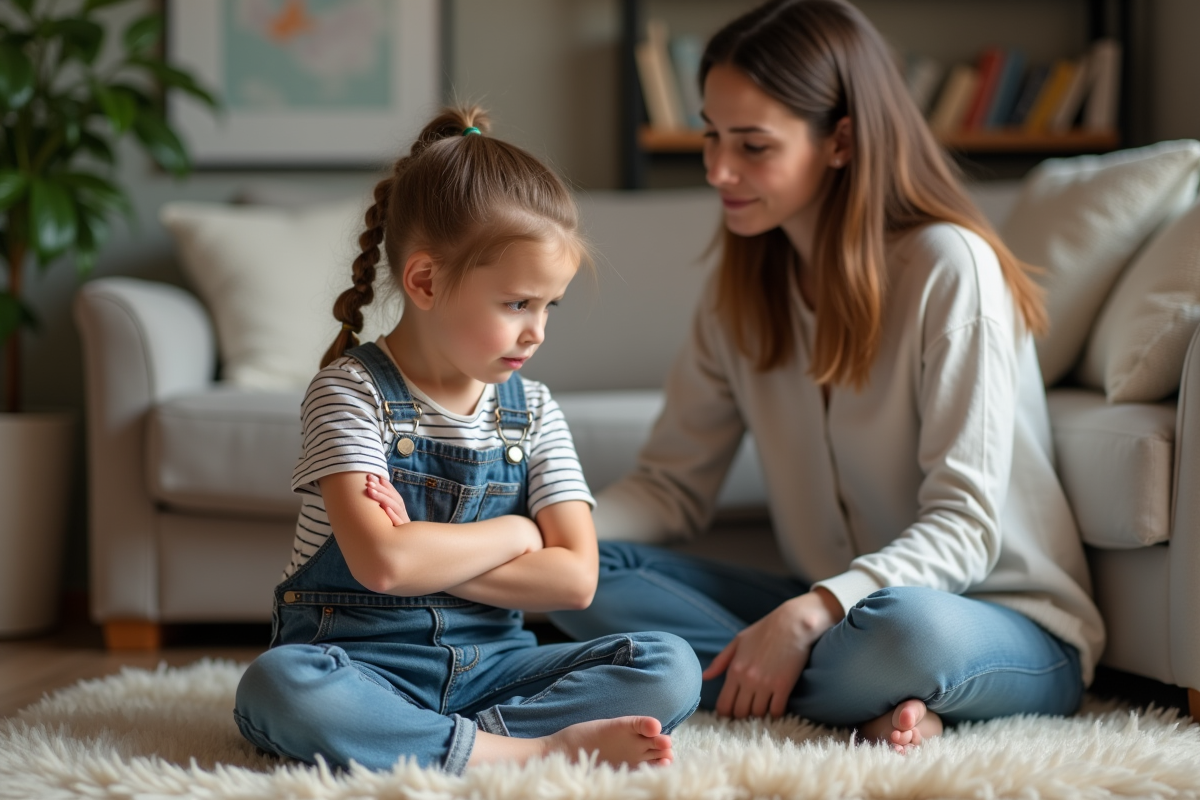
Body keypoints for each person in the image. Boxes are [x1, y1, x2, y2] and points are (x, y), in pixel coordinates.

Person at [547, 0, 1105, 752]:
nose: (717, 169)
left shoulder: (951, 266)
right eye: (712, 135)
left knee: (903, 630)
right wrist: (539, 540)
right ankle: (858, 702)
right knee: (586, 572)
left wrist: (815, 613)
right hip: (833, 610)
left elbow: (967, 527)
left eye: (752, 145)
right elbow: (669, 487)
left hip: (987, 617)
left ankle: (767, 676)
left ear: (840, 141)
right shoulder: (740, 294)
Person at [233, 107, 702, 775]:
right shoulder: (349, 393)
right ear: (425, 281)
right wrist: (518, 535)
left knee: (670, 665)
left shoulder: (535, 410)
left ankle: (427, 740)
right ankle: (525, 750)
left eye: (549, 306)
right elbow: (384, 567)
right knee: (279, 687)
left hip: (495, 671)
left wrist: (422, 548)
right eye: (517, 304)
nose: (538, 331)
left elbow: (576, 579)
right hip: (362, 666)